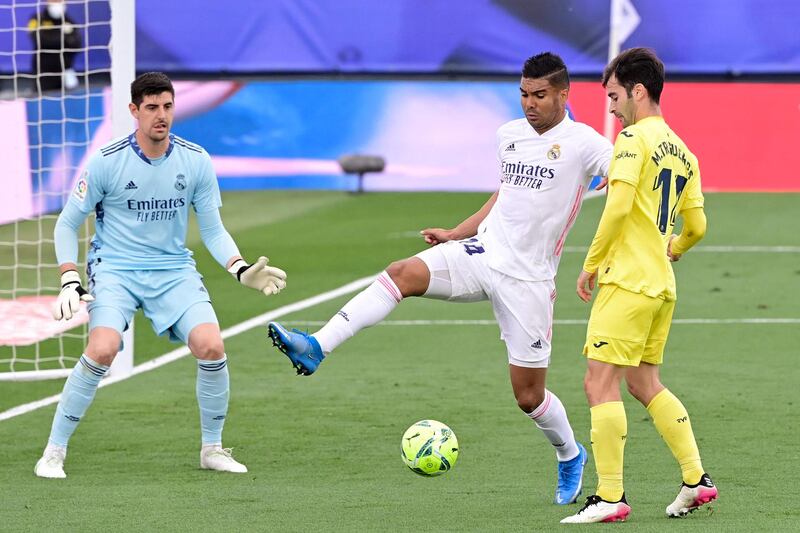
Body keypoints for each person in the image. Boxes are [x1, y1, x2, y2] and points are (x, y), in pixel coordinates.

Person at [268, 52, 613, 505]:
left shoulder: (585, 144)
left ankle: (570, 455)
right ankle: (317, 347)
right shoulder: (508, 135)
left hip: (528, 280)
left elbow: (626, 178)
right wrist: (458, 232)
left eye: (540, 95)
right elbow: (506, 195)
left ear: (564, 94)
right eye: (524, 94)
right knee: (402, 273)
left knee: (529, 397)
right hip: (482, 252)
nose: (530, 104)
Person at [34, 72, 287, 478]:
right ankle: (53, 451)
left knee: (211, 346)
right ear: (134, 111)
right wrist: (68, 278)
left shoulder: (196, 160)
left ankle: (213, 448)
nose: (161, 115)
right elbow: (67, 224)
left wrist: (239, 269)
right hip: (115, 268)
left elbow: (212, 228)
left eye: (167, 106)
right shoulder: (106, 161)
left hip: (173, 269)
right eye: (151, 107)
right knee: (102, 349)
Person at [561, 48, 717, 524]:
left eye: (613, 96)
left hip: (627, 281)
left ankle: (610, 497)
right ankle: (696, 480)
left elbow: (618, 206)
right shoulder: (683, 151)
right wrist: (674, 248)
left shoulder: (632, 140)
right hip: (661, 285)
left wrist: (591, 263)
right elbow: (698, 226)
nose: (610, 107)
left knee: (598, 381)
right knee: (644, 381)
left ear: (638, 91)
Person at [27, 0, 81, 92]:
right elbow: (39, 39)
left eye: (60, 1)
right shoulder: (37, 19)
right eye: (55, 1)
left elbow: (76, 45)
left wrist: (54, 37)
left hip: (65, 72)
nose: (58, 4)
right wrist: (64, 37)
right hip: (43, 73)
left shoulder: (69, 21)